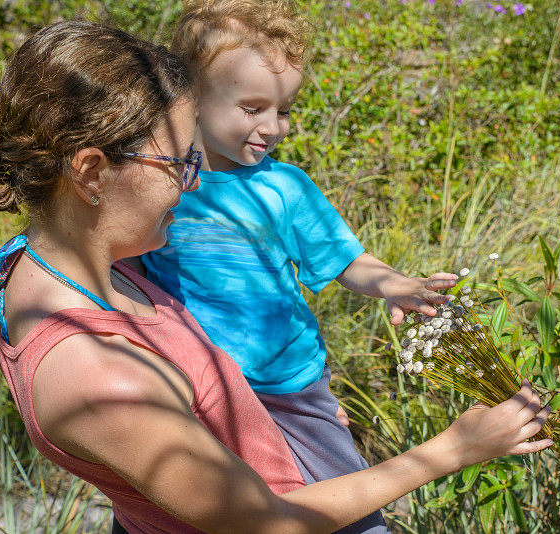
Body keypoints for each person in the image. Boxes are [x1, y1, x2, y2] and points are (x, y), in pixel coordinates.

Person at [0, 20, 552, 534]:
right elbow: (269, 524)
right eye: (181, 163)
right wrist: (455, 448)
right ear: (91, 173)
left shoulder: (48, 266)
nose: (195, 183)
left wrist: (286, 412)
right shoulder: (100, 379)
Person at [140, 4, 457, 530]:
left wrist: (395, 285)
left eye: (283, 109)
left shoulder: (284, 188)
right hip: (198, 389)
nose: (273, 127)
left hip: (291, 387)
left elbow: (345, 259)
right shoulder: (160, 183)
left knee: (347, 510)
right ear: (190, 97)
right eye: (253, 107)